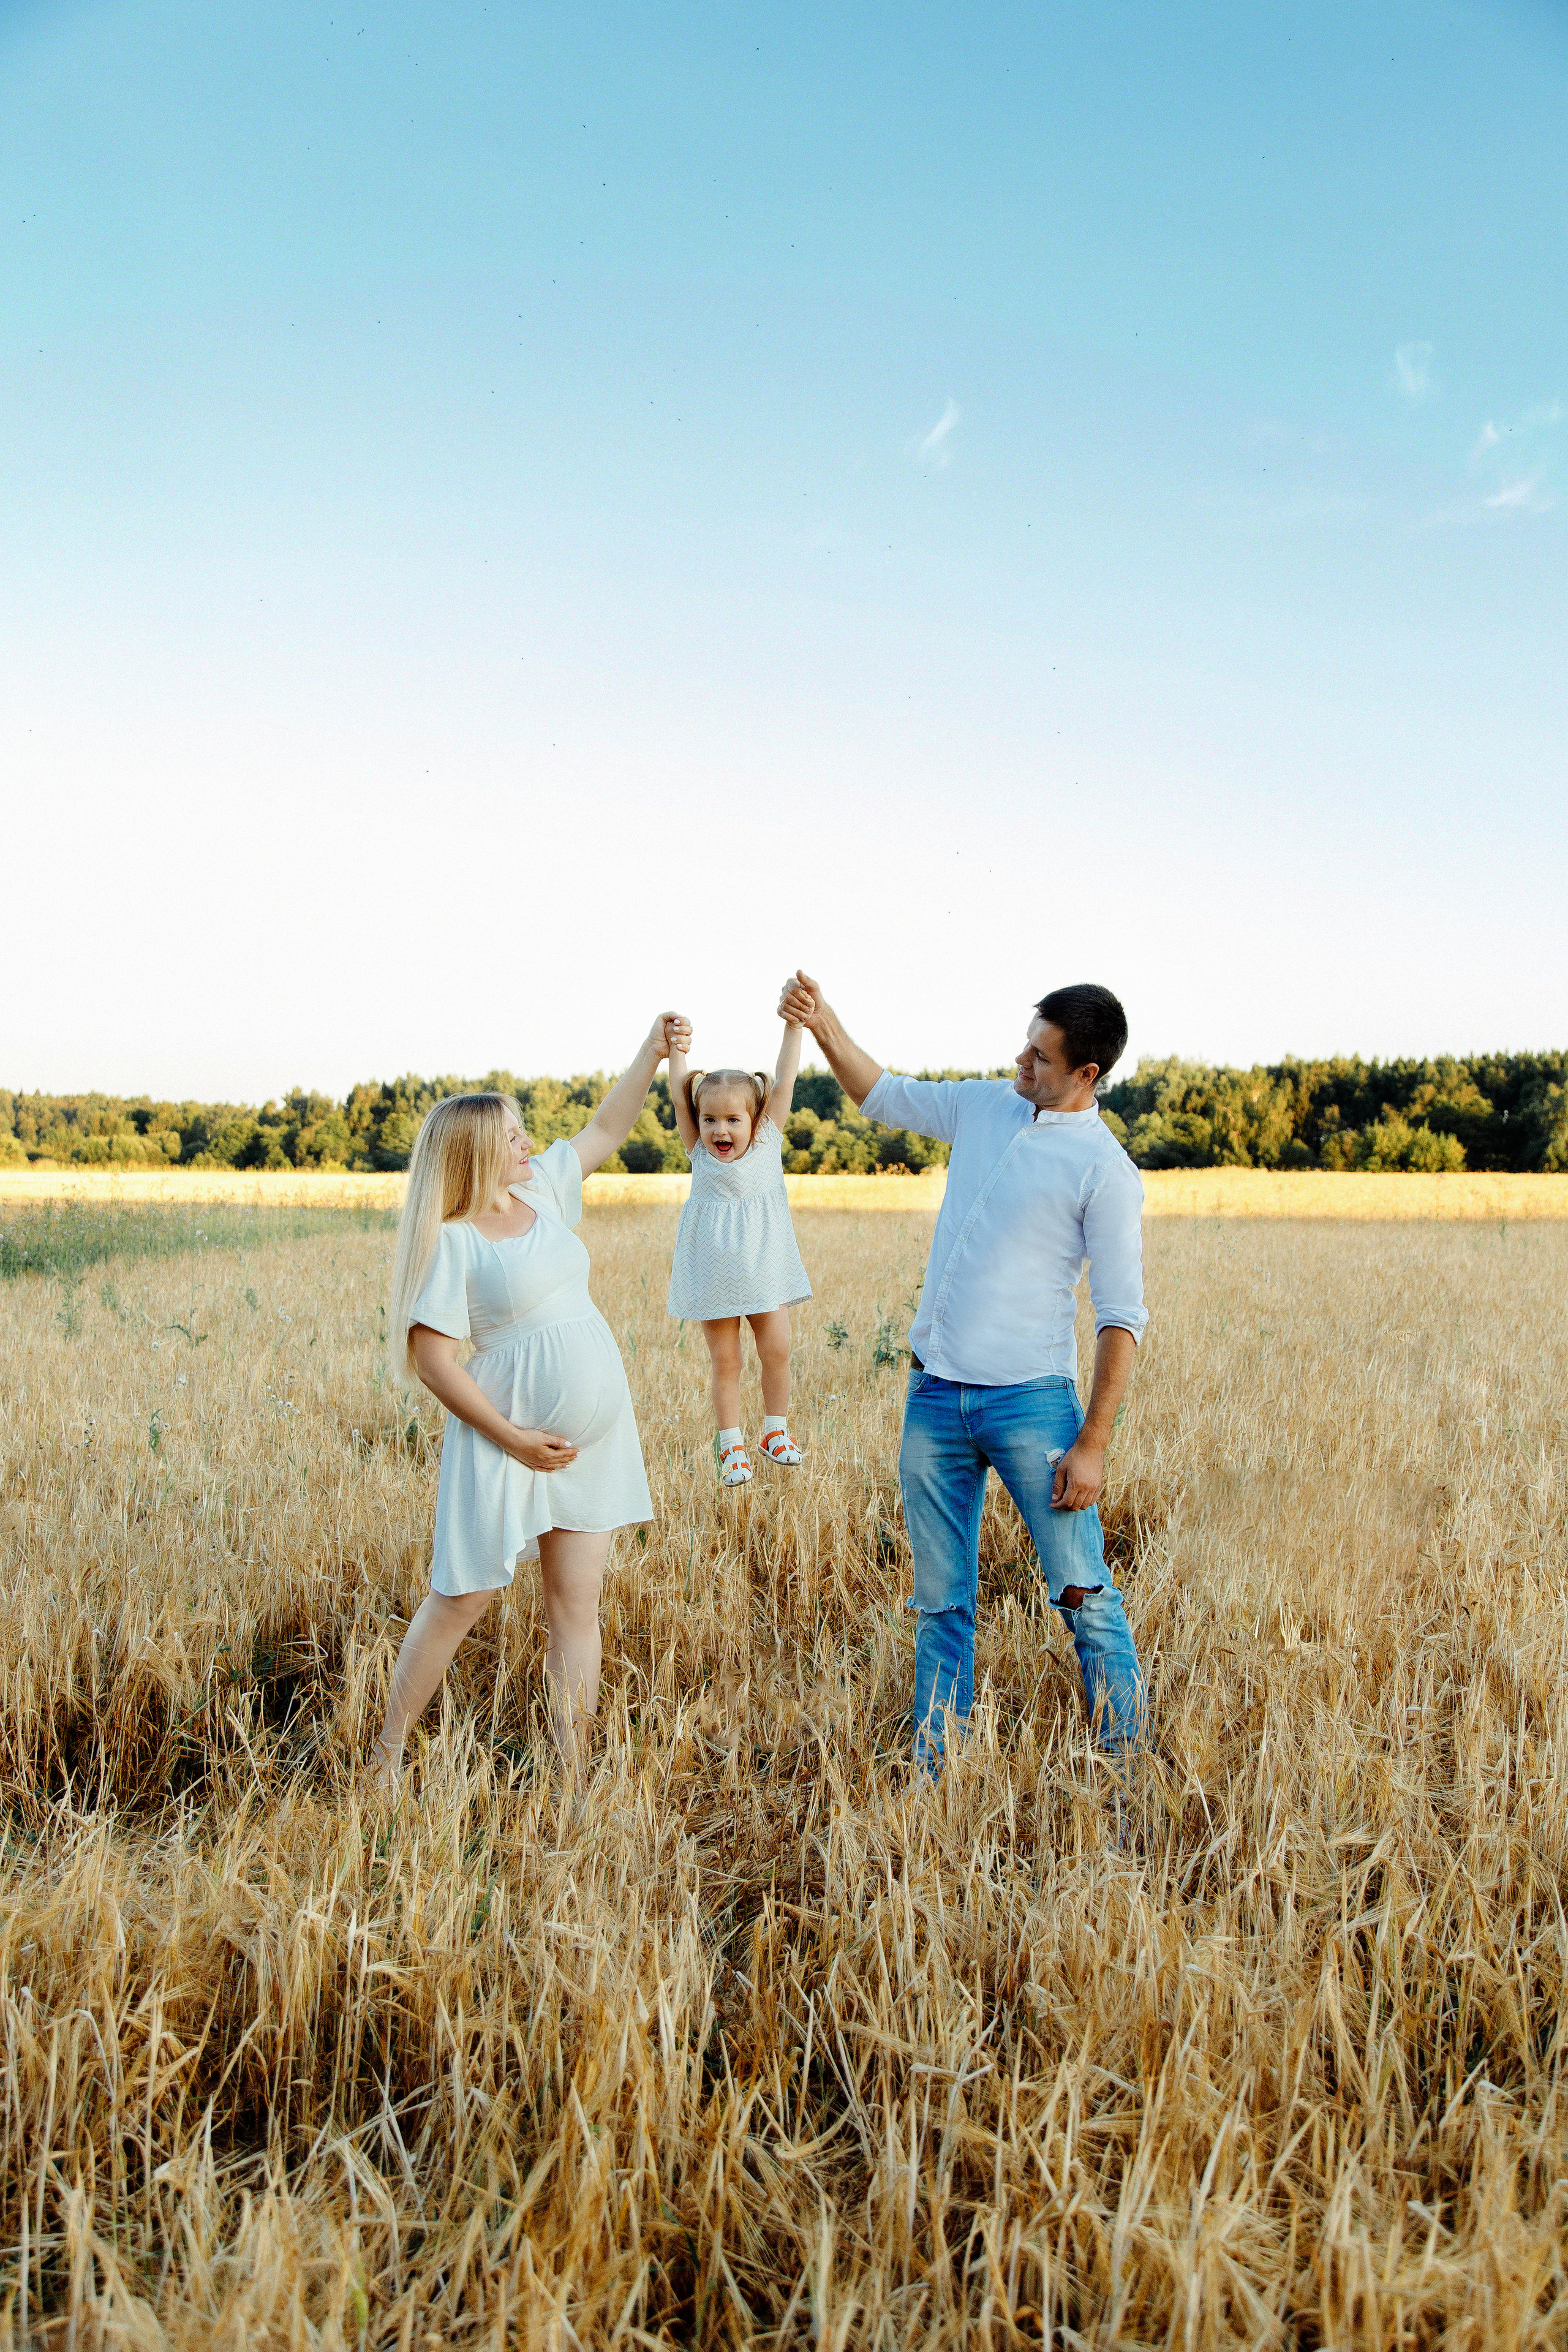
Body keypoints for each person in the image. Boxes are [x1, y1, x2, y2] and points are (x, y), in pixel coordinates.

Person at [777, 970, 1147, 1766]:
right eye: (1027, 1041)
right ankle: (936, 1770)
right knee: (941, 1604)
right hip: (935, 1399)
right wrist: (824, 1023)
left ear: (1087, 1074)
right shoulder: (987, 1106)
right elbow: (883, 1094)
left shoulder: (1104, 1172)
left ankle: (1125, 1773)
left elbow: (1121, 1319)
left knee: (1084, 1598)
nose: (1022, 1061)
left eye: (1042, 1057)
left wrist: (1094, 1442)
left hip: (1033, 1408)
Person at [373, 1012, 690, 1787]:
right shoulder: (453, 1239)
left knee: (576, 1605)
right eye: (512, 1135)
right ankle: (384, 1758)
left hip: (593, 1444)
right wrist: (512, 1438)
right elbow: (432, 1360)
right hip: (505, 1436)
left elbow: (607, 1126)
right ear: (479, 1149)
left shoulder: (544, 1193)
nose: (526, 1143)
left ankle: (573, 1770)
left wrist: (651, 1053)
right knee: (462, 1596)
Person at [666, 1008, 813, 1487]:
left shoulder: (768, 1143)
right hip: (713, 1275)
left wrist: (794, 1029)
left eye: (733, 1119)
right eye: (709, 1119)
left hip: (764, 1272)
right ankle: (731, 1446)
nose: (720, 1131)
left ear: (755, 1120)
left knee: (778, 1349)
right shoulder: (698, 1154)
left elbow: (786, 1080)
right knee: (726, 1362)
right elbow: (676, 1092)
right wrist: (676, 1050)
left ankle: (775, 1431)